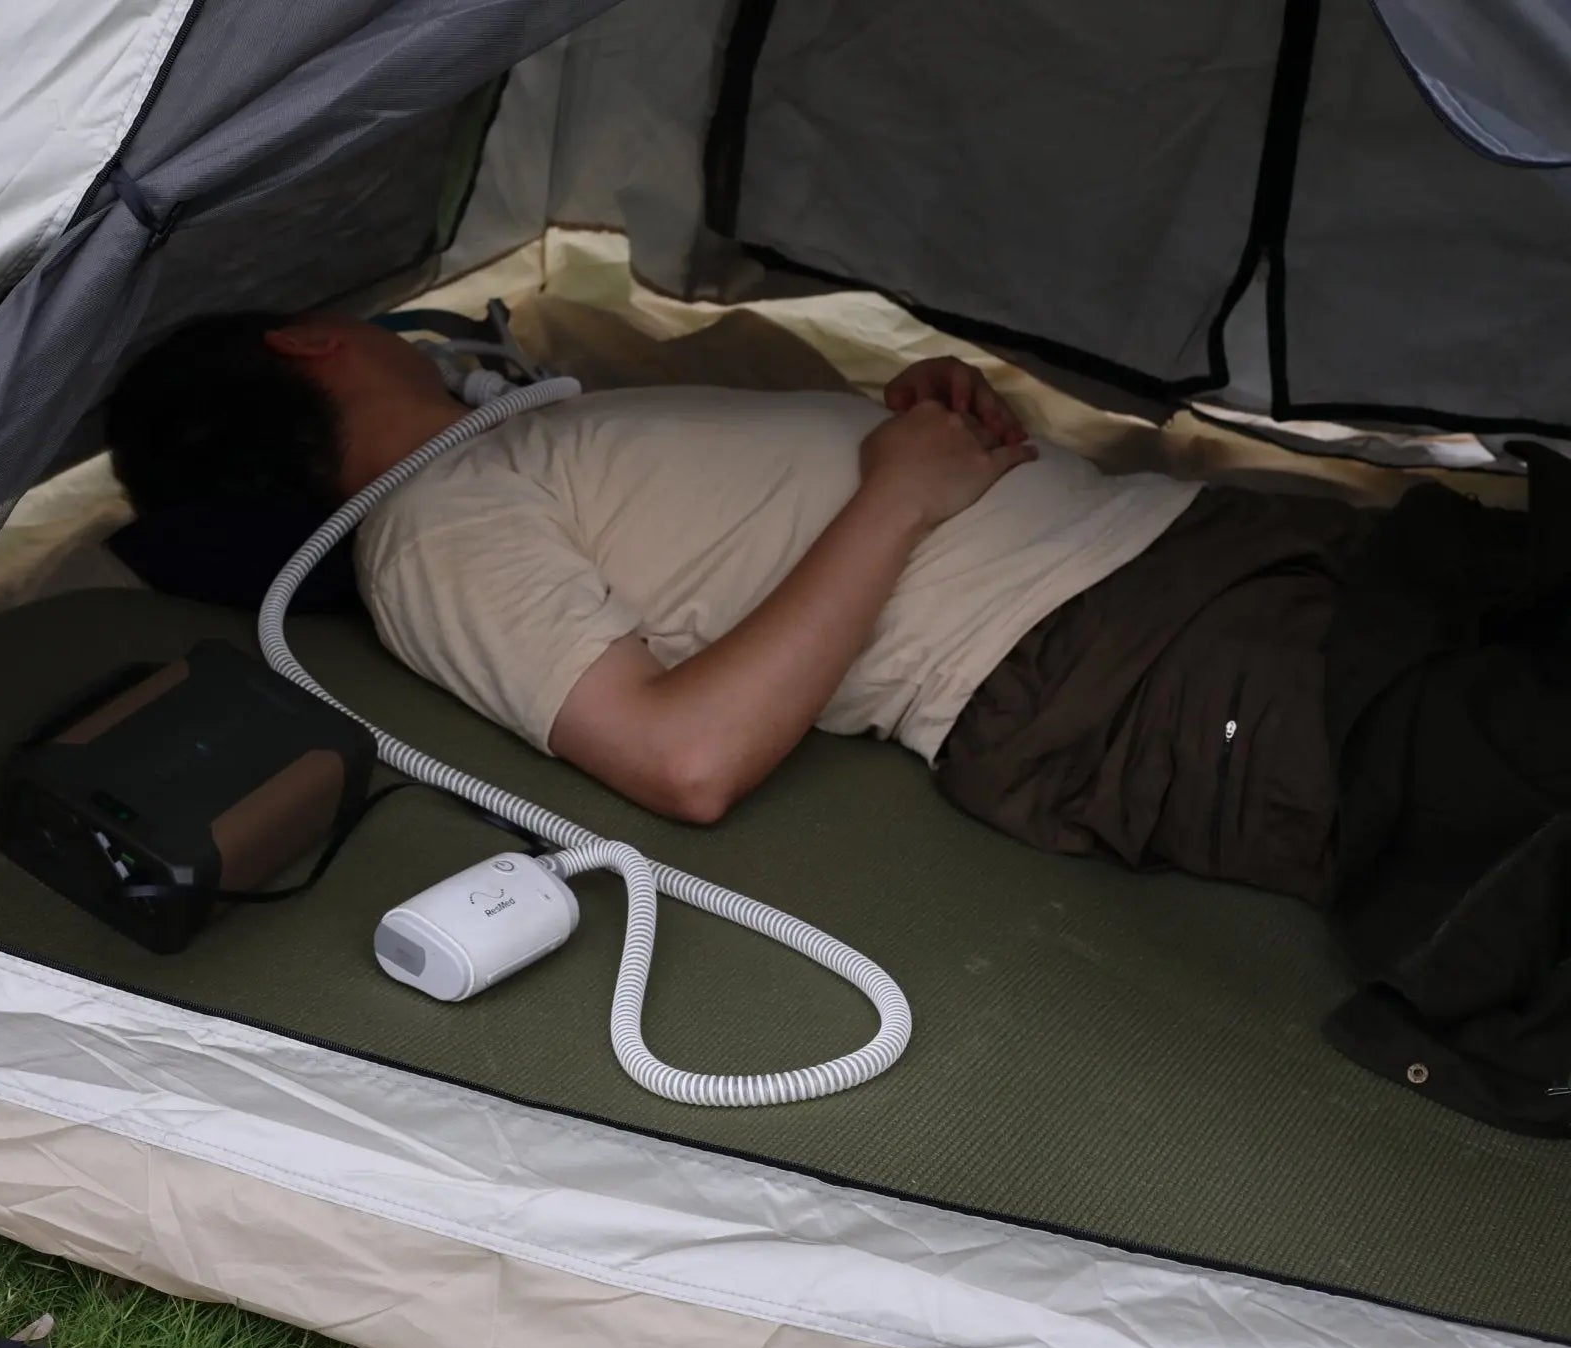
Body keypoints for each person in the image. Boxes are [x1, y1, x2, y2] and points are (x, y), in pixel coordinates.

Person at [107, 311, 1571, 1132]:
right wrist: (899, 492)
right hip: (1126, 667)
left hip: (1205, 565)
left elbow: (730, 549)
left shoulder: (513, 436)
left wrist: (906, 423)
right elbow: (683, 755)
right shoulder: (424, 531)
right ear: (310, 341)